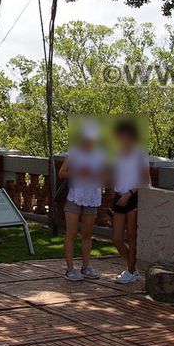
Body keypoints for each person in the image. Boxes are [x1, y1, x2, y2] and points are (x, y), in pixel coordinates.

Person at [58, 119, 106, 281]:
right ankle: (70, 269)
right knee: (71, 232)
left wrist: (97, 176)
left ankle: (86, 266)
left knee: (87, 234)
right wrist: (78, 173)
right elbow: (62, 172)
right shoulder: (75, 152)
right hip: (75, 195)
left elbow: (103, 178)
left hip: (92, 196)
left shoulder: (100, 154)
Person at [110, 119, 149, 284]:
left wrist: (130, 192)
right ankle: (131, 268)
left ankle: (131, 270)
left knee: (132, 236)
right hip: (119, 196)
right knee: (117, 238)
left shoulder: (140, 153)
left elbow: (145, 179)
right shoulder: (118, 153)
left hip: (134, 196)